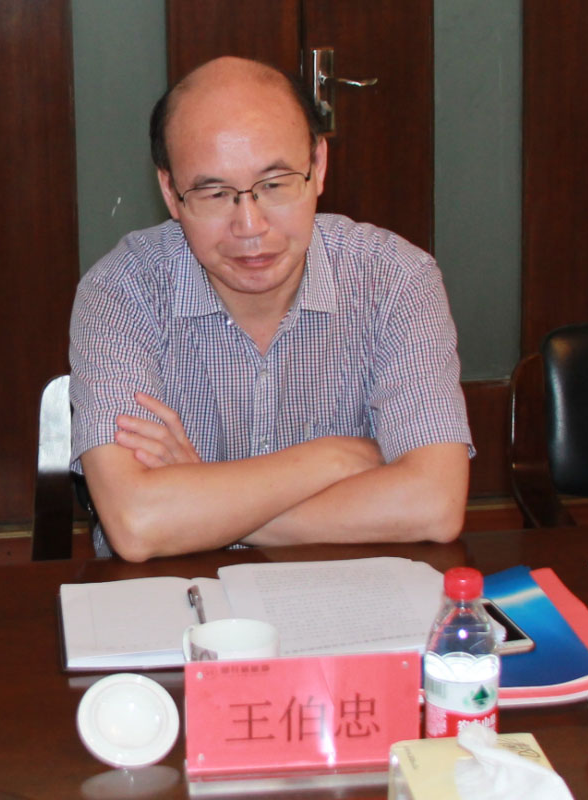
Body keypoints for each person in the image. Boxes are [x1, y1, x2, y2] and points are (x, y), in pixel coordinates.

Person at [69, 56, 473, 562]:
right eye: (214, 193)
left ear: (318, 166)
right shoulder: (122, 291)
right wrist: (331, 459)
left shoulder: (395, 278)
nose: (250, 226)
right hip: (173, 596)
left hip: (345, 589)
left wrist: (201, 501)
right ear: (170, 193)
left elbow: (434, 505)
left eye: (276, 185)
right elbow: (137, 523)